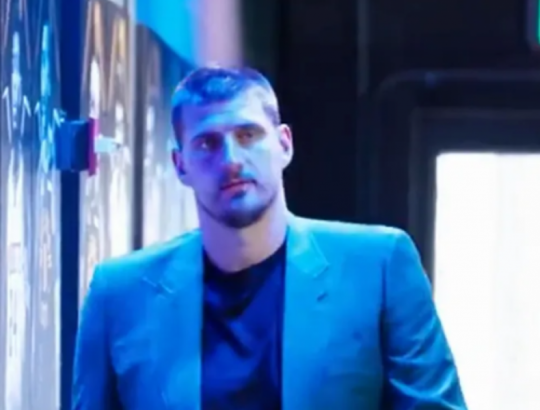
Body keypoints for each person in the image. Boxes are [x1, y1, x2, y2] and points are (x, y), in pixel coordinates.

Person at [72, 66, 467, 410]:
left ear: (284, 144)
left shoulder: (379, 266)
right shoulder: (118, 293)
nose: (231, 160)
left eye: (248, 135)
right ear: (180, 165)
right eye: (207, 143)